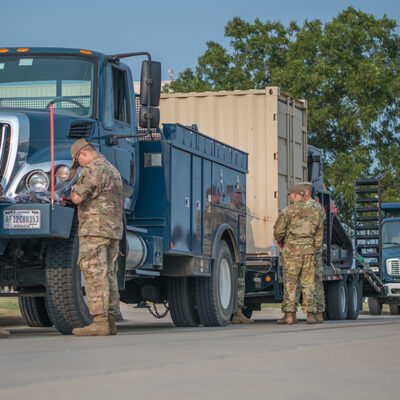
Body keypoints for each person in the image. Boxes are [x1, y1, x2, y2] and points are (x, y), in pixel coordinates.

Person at [70, 139, 123, 336]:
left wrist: (72, 188)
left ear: (83, 154)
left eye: (78, 161)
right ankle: (110, 321)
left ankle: (99, 321)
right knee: (109, 273)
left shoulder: (91, 169)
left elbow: (77, 198)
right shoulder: (113, 170)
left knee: (94, 272)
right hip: (113, 230)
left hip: (94, 229)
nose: (79, 165)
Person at [273, 184, 323, 325]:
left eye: (290, 195)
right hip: (309, 252)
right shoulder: (315, 211)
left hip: (292, 252)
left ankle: (289, 315)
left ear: (295, 195)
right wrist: (313, 247)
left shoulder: (287, 211)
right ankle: (311, 314)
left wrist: (285, 242)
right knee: (308, 283)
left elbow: (278, 232)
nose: (289, 197)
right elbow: (319, 233)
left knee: (290, 282)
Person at [295, 182, 326, 323]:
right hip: (309, 250)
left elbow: (317, 230)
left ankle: (315, 312)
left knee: (312, 282)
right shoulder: (316, 207)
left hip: (312, 250)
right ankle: (317, 312)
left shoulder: (314, 208)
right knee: (313, 282)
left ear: (306, 192)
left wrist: (314, 248)